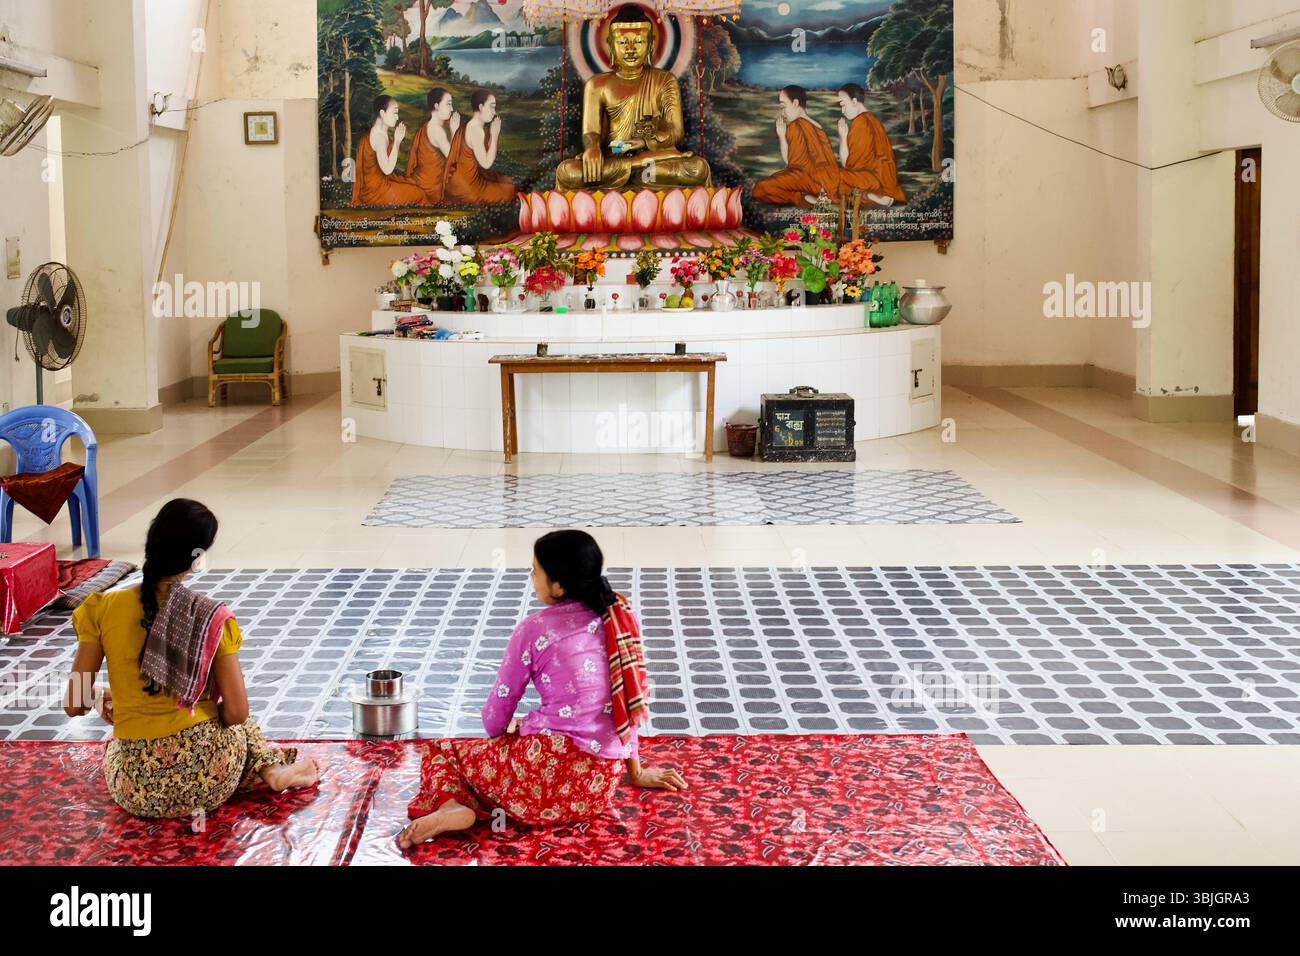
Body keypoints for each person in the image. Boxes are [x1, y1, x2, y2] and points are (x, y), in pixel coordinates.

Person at [398, 530, 686, 847]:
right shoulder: (618, 618)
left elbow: (495, 717)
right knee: (528, 731)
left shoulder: (533, 629)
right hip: (595, 792)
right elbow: (628, 698)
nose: (531, 576)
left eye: (535, 570)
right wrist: (637, 771)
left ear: (558, 586)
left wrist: (508, 734)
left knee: (442, 750)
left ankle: (453, 806)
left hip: (535, 787)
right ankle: (476, 800)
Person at [64, 498, 319, 819]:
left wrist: (102, 696)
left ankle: (267, 769)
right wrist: (204, 720)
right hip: (210, 778)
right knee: (244, 727)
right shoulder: (211, 616)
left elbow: (74, 704)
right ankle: (270, 769)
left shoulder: (101, 609)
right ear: (196, 558)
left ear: (151, 542)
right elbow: (237, 712)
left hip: (137, 789)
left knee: (116, 745)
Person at [751, 85, 842, 208]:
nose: (783, 112)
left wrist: (782, 136)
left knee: (760, 188)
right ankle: (812, 197)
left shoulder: (795, 125)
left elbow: (790, 163)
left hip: (810, 179)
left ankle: (803, 198)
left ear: (795, 103)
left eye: (783, 106)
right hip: (830, 183)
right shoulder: (818, 126)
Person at [350, 94, 428, 207]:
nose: (397, 117)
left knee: (413, 184)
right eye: (394, 113)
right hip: (376, 191)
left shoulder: (381, 132)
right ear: (382, 113)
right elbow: (387, 170)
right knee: (419, 193)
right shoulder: (379, 137)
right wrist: (397, 142)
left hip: (382, 183)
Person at [836, 83, 906, 207]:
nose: (843, 111)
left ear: (854, 101)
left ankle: (872, 195)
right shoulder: (873, 119)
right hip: (886, 179)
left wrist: (843, 136)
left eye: (843, 105)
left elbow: (849, 166)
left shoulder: (861, 123)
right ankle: (872, 196)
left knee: (831, 175)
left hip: (873, 181)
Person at [443, 88, 517, 205]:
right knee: (509, 190)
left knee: (506, 180)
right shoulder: (476, 130)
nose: (494, 112)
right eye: (491, 107)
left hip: (458, 182)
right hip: (466, 187)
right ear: (481, 107)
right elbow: (486, 164)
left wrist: (492, 135)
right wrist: (495, 135)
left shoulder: (470, 126)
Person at [406, 87, 457, 204]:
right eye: (449, 104)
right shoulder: (436, 130)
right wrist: (454, 131)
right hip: (432, 188)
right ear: (437, 106)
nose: (452, 109)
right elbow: (453, 160)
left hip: (420, 181)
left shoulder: (426, 126)